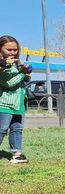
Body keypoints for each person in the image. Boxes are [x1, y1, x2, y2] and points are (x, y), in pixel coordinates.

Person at [0, 35, 32, 164]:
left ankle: (17, 154)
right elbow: (9, 84)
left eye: (15, 50)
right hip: (5, 103)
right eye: (9, 49)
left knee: (17, 128)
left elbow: (19, 80)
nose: (13, 52)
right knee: (2, 129)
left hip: (18, 102)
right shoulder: (2, 66)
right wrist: (23, 73)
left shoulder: (15, 63)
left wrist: (26, 76)